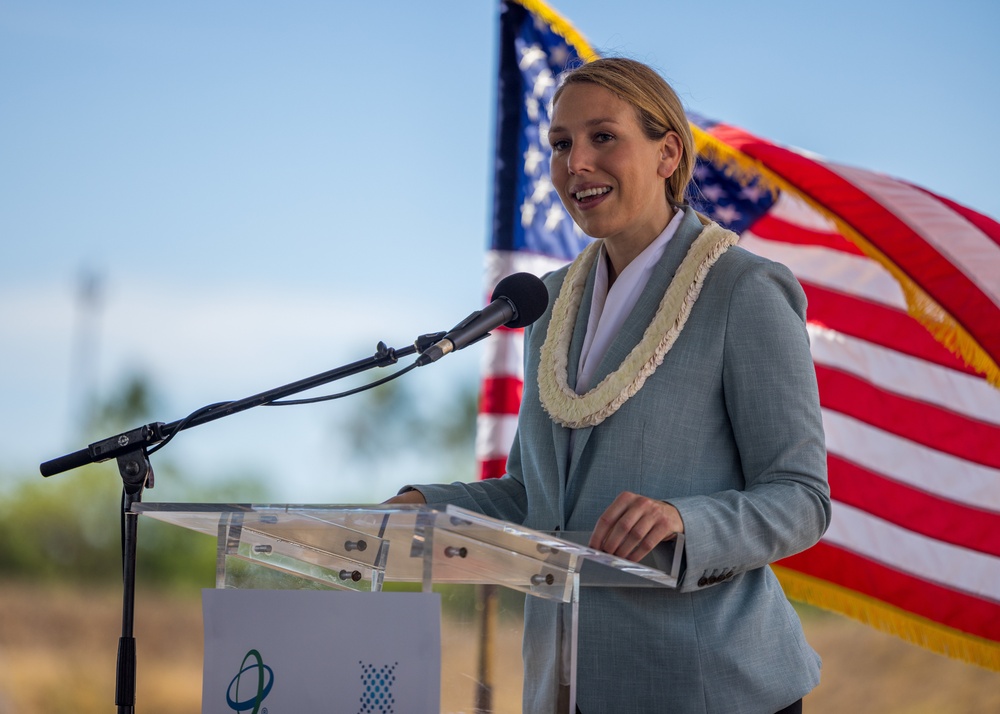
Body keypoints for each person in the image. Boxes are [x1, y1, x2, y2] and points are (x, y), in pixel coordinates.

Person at [388, 57, 830, 714]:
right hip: (565, 688)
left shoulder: (743, 291)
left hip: (708, 688)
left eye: (602, 137)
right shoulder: (547, 302)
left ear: (666, 153)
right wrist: (427, 504)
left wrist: (684, 520)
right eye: (561, 144)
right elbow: (537, 500)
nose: (575, 163)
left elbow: (800, 499)